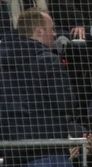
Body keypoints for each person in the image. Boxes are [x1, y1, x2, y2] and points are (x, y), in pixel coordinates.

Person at [0, 9, 80, 142]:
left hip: (10, 145)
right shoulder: (48, 60)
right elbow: (64, 102)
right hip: (46, 145)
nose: (55, 34)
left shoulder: (2, 61)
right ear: (39, 31)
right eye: (52, 28)